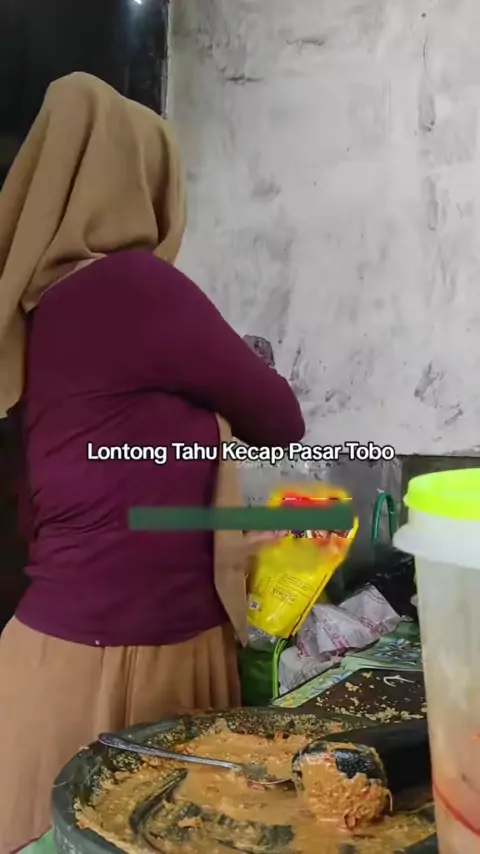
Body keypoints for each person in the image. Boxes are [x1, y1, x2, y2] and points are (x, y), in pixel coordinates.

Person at [0, 72, 305, 851]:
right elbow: (280, 418)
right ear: (147, 186)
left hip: (48, 666)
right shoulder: (135, 286)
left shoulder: (39, 309)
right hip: (138, 669)